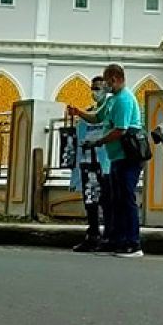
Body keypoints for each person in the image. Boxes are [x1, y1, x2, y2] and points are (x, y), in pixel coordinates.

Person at [67, 64, 143, 258]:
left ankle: (133, 243)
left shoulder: (124, 100)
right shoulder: (111, 101)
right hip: (116, 157)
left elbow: (121, 129)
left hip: (128, 157)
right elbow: (96, 117)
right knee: (116, 200)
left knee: (127, 199)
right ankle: (116, 240)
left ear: (115, 79)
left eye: (107, 81)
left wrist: (99, 141)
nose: (105, 85)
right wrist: (79, 112)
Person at [70, 76, 112, 253]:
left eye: (99, 88)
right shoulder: (88, 114)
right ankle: (93, 235)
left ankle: (109, 236)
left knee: (108, 201)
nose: (95, 92)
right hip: (89, 164)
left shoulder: (111, 109)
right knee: (91, 201)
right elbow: (78, 140)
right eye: (93, 88)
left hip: (107, 165)